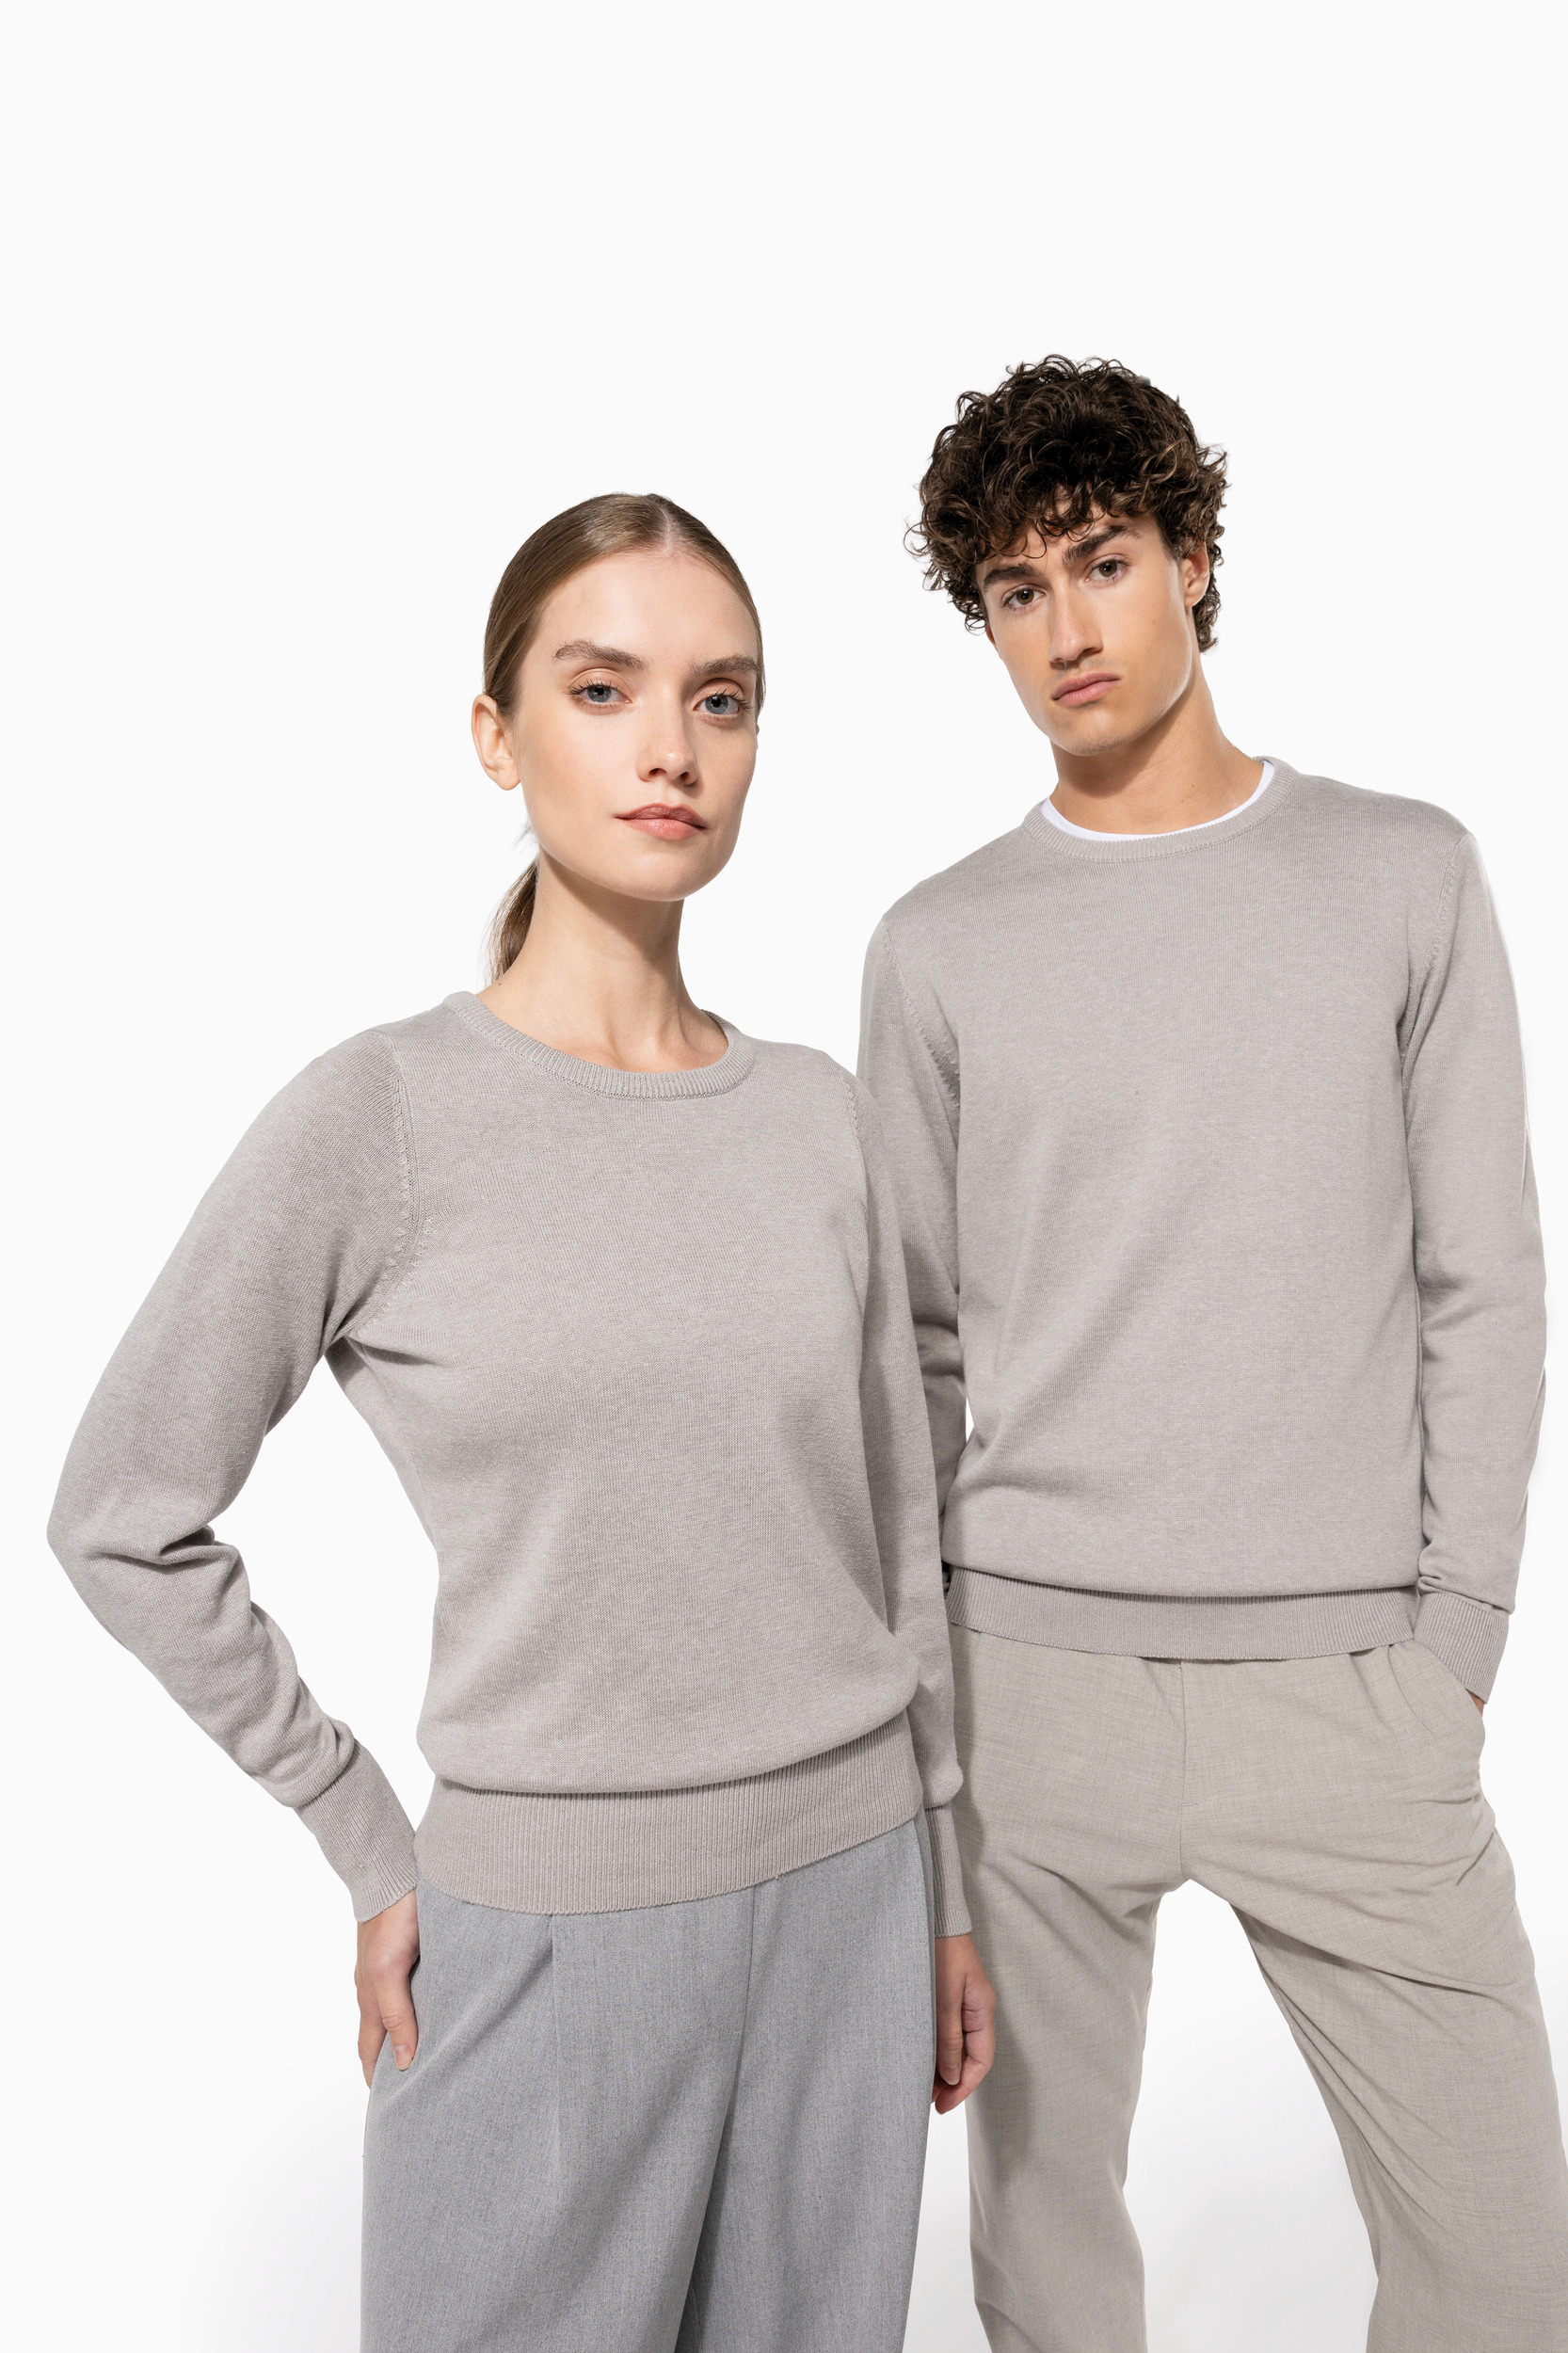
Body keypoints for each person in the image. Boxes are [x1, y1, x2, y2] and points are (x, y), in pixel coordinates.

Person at [49, 491, 995, 2353]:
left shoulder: (820, 1117)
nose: (670, 748)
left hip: (852, 1910)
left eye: (721, 699)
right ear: (497, 733)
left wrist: (943, 1884)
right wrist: (364, 1833)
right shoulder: (381, 1117)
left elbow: (904, 1529)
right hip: (547, 1936)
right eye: (602, 687)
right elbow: (121, 1513)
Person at [858, 358, 1568, 2353]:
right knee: (1043, 2268)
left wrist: (1453, 1644)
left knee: (1504, 2267)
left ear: (1188, 557)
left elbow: (1484, 1282)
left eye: (1098, 560)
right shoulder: (937, 942)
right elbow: (907, 1356)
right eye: (1012, 590)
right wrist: (927, 1724)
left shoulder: (1400, 871)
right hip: (1030, 1686)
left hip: (1349, 1695)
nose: (1062, 628)